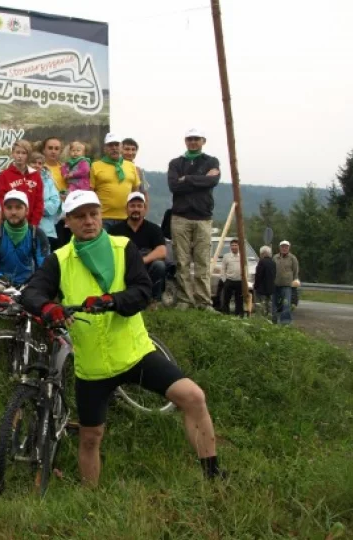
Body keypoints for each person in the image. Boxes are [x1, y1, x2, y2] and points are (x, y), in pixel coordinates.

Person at [20, 190, 222, 486]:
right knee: (90, 437)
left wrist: (111, 301)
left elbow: (142, 291)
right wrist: (48, 307)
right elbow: (32, 292)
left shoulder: (123, 247)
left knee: (193, 397)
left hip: (135, 354)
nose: (88, 221)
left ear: (101, 215)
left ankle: (213, 476)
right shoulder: (59, 259)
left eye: (93, 214)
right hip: (93, 366)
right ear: (68, 223)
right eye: (80, 216)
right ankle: (91, 498)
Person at [167, 128, 221, 311]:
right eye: (190, 139)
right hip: (180, 217)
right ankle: (184, 299)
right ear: (185, 141)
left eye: (196, 139)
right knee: (181, 261)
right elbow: (174, 186)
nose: (193, 142)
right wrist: (199, 180)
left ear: (203, 141)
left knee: (203, 261)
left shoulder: (211, 161)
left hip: (203, 217)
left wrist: (187, 179)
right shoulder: (175, 163)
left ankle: (203, 302)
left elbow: (212, 181)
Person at [0, 190, 49, 298]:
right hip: (0, 281)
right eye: (9, 208)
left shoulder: (37, 234)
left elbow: (44, 267)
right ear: (4, 211)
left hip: (27, 283)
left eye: (18, 207)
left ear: (27, 210)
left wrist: (33, 283)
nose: (13, 212)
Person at [108, 192, 167, 303]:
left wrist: (141, 260)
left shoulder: (154, 229)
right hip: (124, 267)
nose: (136, 209)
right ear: (126, 209)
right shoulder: (115, 230)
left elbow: (162, 251)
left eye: (139, 206)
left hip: (146, 266)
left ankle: (153, 300)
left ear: (145, 209)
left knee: (159, 266)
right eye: (132, 206)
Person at [90, 133, 141, 230]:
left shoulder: (131, 166)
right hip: (103, 217)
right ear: (105, 149)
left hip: (126, 217)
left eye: (116, 145)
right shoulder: (95, 166)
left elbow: (135, 192)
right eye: (110, 145)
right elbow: (91, 191)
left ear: (121, 147)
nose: (114, 148)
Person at [0, 140, 44, 227]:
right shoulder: (4, 175)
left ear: (28, 155)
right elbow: (1, 200)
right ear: (13, 154)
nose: (20, 156)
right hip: (10, 223)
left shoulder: (35, 176)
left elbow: (39, 202)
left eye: (24, 153)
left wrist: (33, 223)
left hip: (31, 224)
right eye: (17, 152)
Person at [34, 151, 61, 250]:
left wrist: (38, 208)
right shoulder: (22, 179)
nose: (37, 165)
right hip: (27, 229)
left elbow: (55, 202)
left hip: (47, 228)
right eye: (34, 162)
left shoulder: (49, 181)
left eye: (40, 163)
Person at [273, 240, 300, 325]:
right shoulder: (275, 257)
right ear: (280, 248)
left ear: (289, 248)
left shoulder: (293, 258)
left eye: (286, 247)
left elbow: (295, 271)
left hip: (287, 285)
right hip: (276, 284)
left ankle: (285, 321)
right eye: (282, 247)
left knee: (286, 304)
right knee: (275, 303)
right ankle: (273, 320)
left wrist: (294, 281)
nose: (284, 248)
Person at [220, 239, 245, 316]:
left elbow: (245, 268)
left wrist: (245, 280)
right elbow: (223, 269)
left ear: (239, 246)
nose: (234, 247)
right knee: (226, 299)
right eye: (232, 245)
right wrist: (224, 280)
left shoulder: (242, 256)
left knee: (239, 300)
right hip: (229, 280)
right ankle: (225, 314)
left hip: (239, 281)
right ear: (230, 247)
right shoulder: (226, 256)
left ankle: (238, 315)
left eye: (235, 245)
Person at [254, 245, 276, 318]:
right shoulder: (273, 263)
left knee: (260, 306)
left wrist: (255, 286)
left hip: (261, 289)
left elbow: (258, 276)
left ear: (263, 253)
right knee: (269, 306)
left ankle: (260, 320)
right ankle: (269, 319)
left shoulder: (261, 262)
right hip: (271, 288)